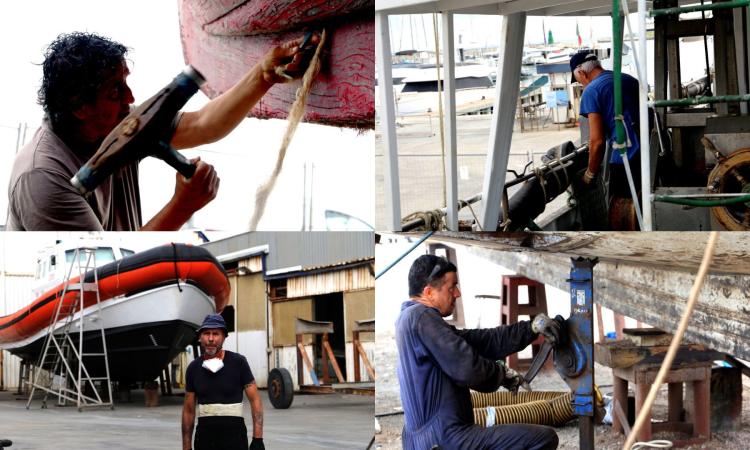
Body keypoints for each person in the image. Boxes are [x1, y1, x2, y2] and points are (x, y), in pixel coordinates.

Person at [7, 31, 317, 231]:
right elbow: (104, 265)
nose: (130, 98)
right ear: (79, 107)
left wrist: (264, 75)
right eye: (114, 91)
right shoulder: (43, 178)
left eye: (125, 81)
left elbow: (203, 124)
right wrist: (183, 205)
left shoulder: (120, 122)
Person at [396, 254, 563, 450]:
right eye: (452, 287)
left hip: (422, 440)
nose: (457, 293)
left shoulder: (410, 319)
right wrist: (502, 374)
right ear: (429, 292)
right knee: (543, 438)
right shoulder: (422, 316)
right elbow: (467, 368)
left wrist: (531, 329)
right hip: (445, 439)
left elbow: (481, 341)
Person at [570, 51, 641, 229]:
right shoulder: (628, 79)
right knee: (643, 206)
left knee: (623, 216)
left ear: (581, 72)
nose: (581, 83)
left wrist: (590, 174)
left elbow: (597, 141)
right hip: (648, 154)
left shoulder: (592, 91)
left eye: (578, 80)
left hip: (624, 158)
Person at [182, 314, 264, 450]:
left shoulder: (238, 363)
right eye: (206, 333)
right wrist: (186, 447)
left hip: (235, 437)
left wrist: (258, 439)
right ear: (200, 337)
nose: (210, 339)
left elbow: (255, 401)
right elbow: (188, 411)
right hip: (205, 438)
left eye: (216, 334)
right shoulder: (193, 368)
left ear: (224, 337)